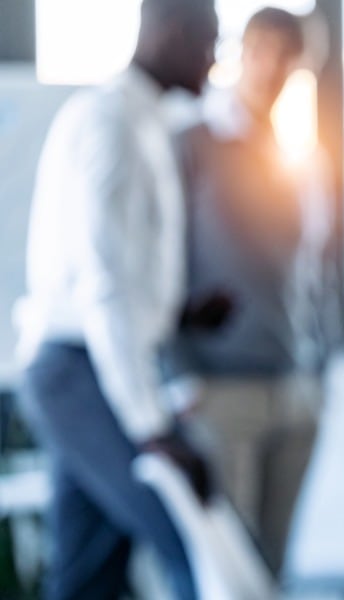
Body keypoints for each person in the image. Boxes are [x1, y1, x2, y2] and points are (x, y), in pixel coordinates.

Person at [13, 1, 220, 598]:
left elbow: (121, 278)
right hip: (80, 369)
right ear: (171, 33)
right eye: (209, 41)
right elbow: (102, 285)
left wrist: (177, 312)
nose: (215, 59)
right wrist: (151, 426)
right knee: (184, 537)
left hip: (92, 363)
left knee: (87, 574)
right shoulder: (110, 122)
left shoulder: (146, 122)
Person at [164, 6, 333, 577]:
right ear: (243, 51)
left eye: (291, 61)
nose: (275, 69)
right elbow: (159, 266)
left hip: (295, 388)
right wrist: (179, 376)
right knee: (226, 573)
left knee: (271, 572)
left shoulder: (296, 158)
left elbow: (311, 274)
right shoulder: (189, 141)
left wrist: (319, 368)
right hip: (219, 391)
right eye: (265, 52)